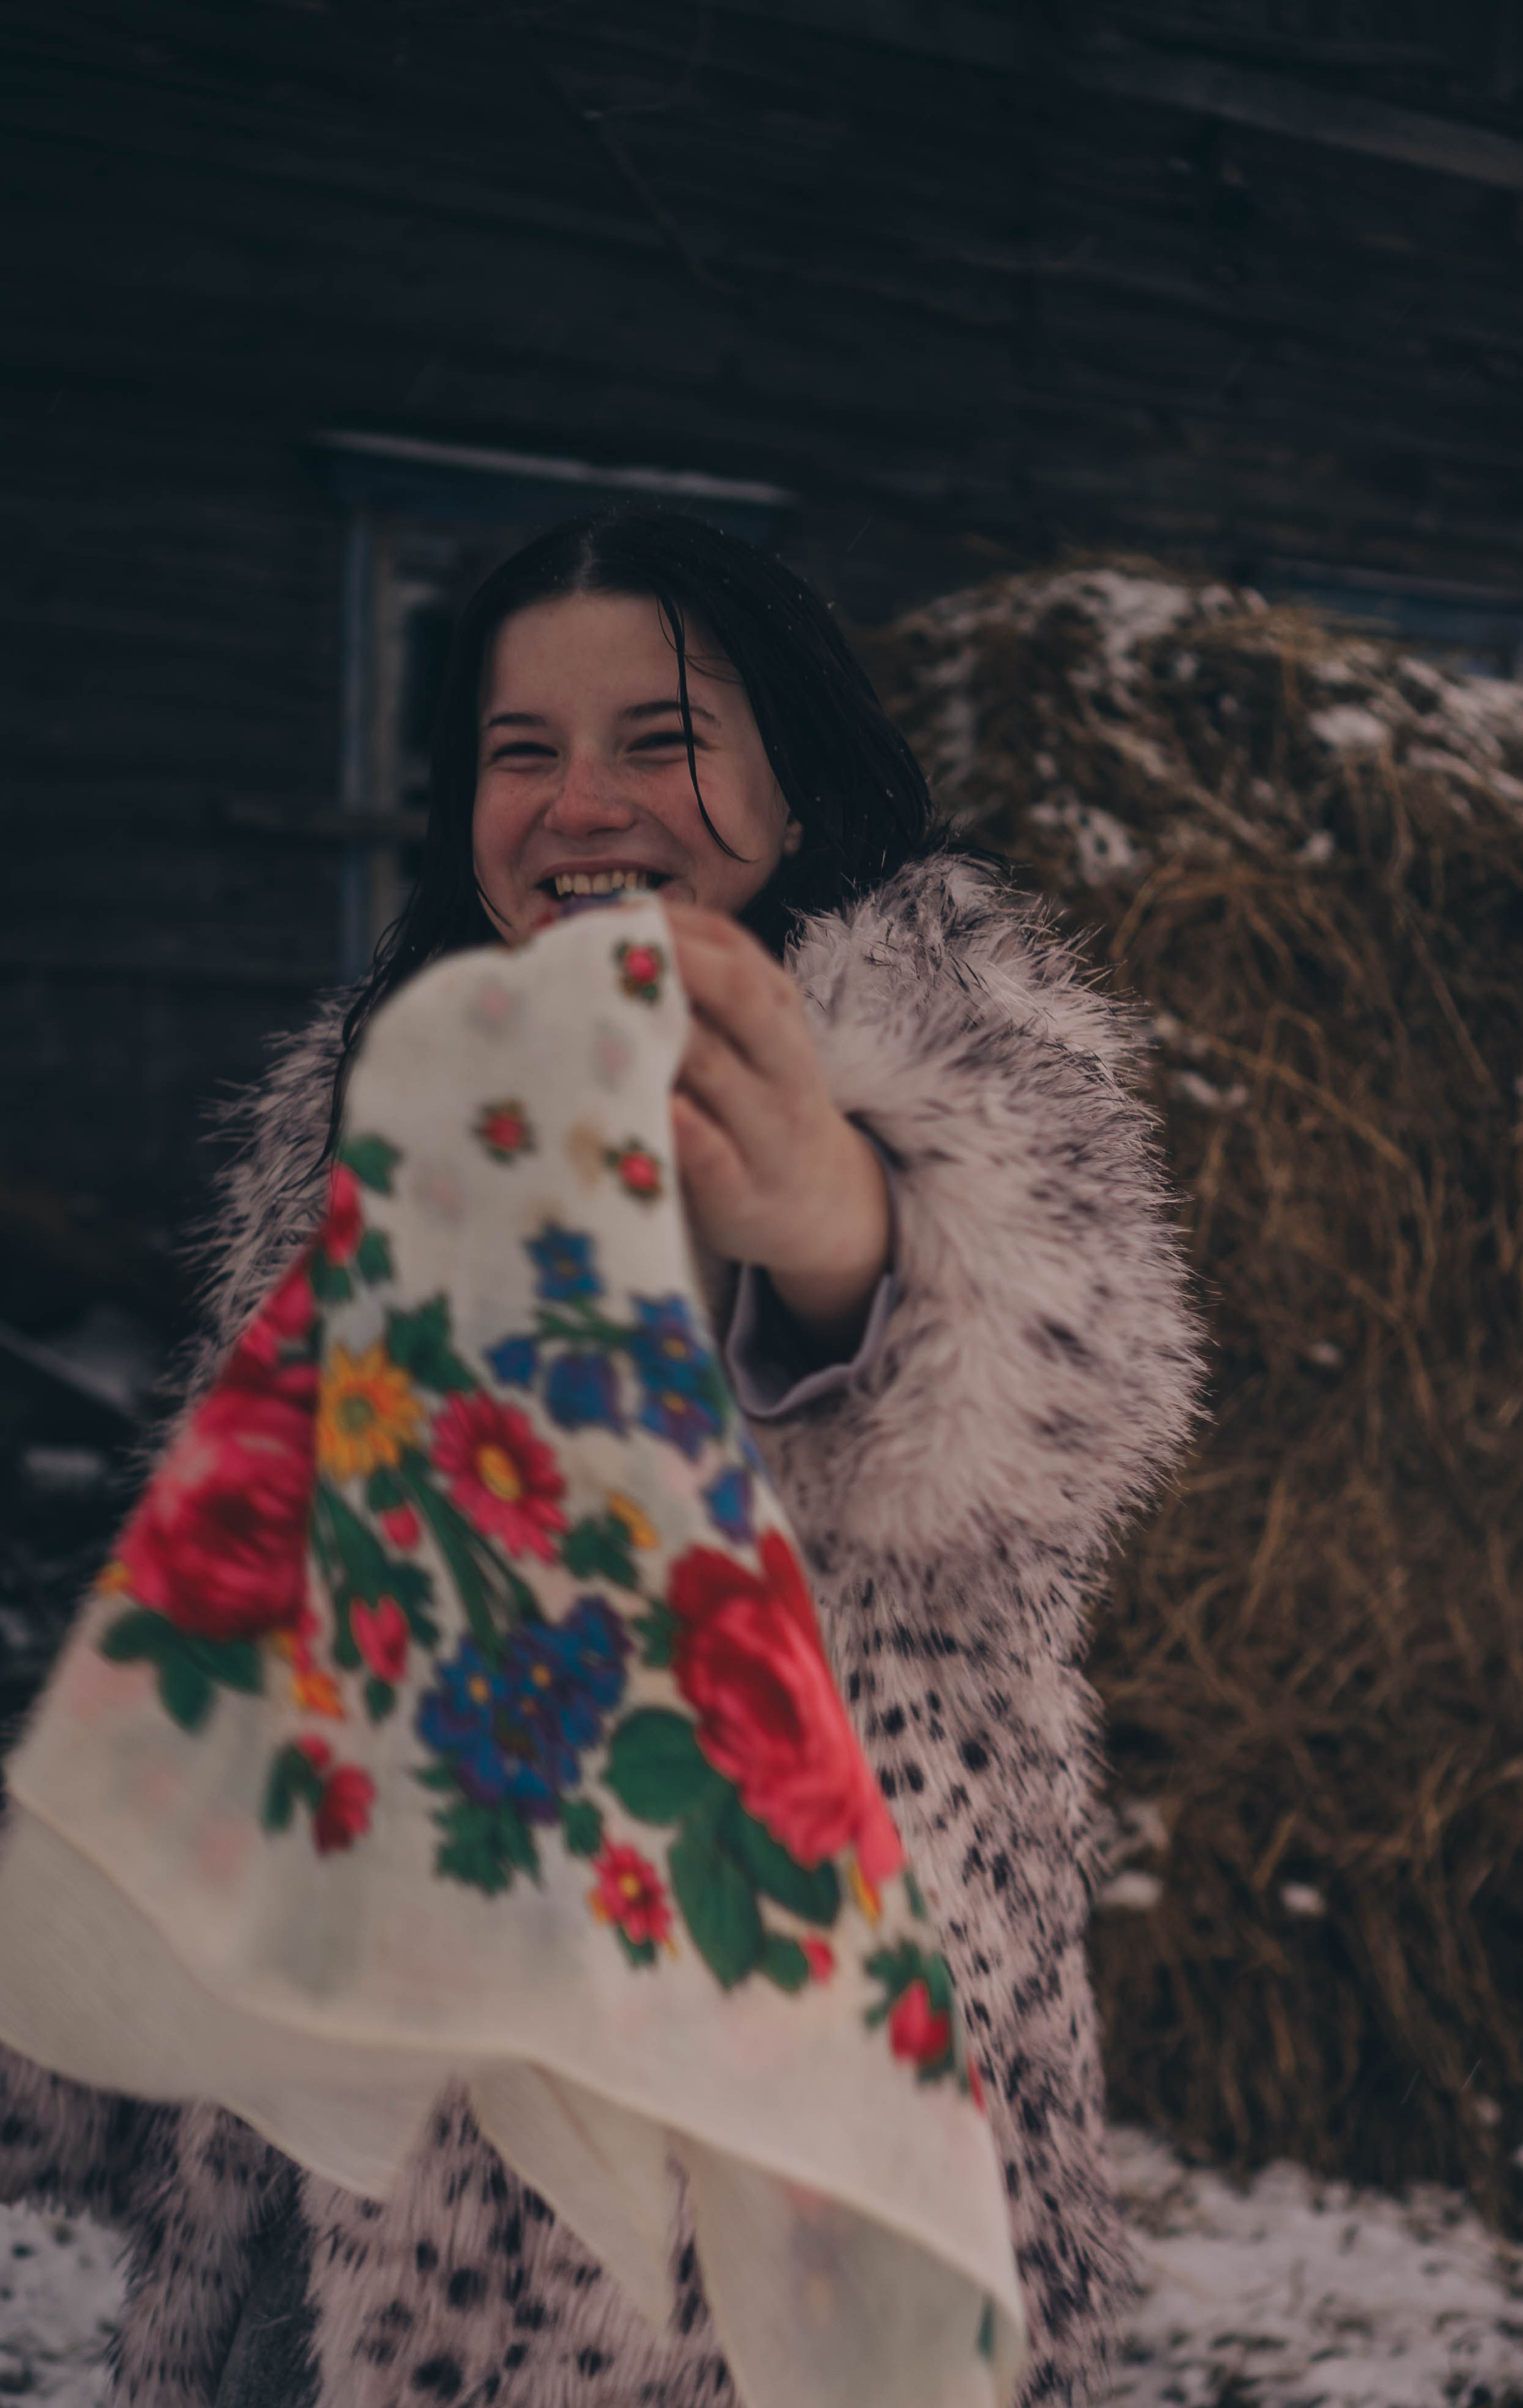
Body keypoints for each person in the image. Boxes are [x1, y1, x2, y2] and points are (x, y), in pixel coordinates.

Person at [0, 507, 1204, 2406]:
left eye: (661, 739)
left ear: (792, 782)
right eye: (519, 750)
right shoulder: (392, 1102)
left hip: (756, 2098)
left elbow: (1048, 1418)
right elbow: (252, 1594)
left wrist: (828, 1226)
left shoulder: (950, 1065)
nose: (583, 802)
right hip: (380, 2087)